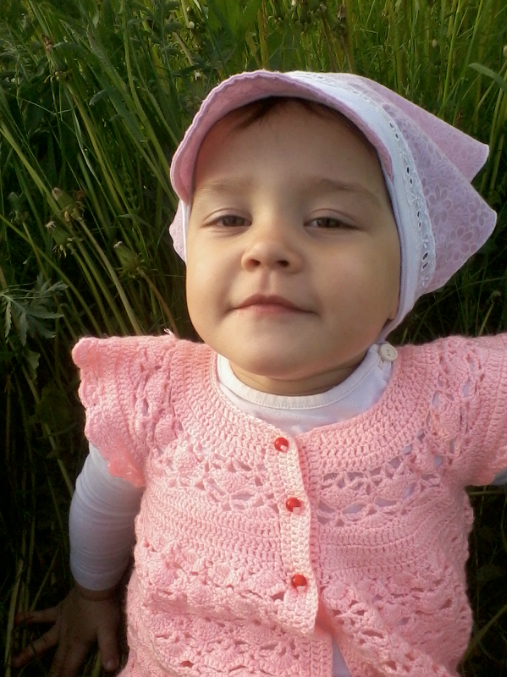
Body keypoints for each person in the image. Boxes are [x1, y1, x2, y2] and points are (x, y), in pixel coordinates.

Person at [12, 70, 507, 677]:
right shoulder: (156, 394)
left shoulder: (452, 399)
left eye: (328, 220)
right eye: (229, 219)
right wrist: (90, 593)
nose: (267, 246)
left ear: (405, 271)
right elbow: (102, 504)